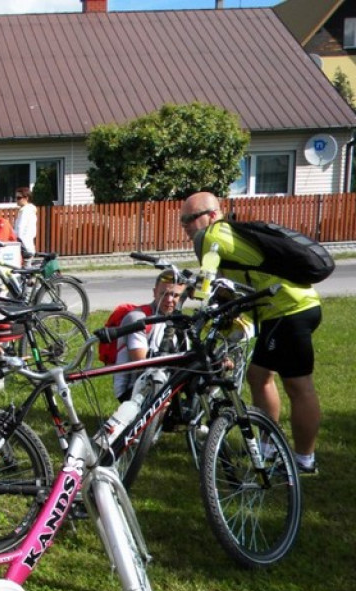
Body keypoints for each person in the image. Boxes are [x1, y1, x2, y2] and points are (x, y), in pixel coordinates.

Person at [180, 191, 322, 474]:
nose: (185, 226)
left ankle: (304, 460)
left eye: (189, 219)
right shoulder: (230, 235)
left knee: (298, 386)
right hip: (284, 310)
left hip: (288, 310)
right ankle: (271, 447)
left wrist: (200, 294)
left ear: (211, 215)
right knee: (259, 377)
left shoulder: (211, 235)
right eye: (182, 221)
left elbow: (208, 276)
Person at [112, 269, 187, 401]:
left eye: (175, 296)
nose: (169, 300)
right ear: (154, 292)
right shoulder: (138, 318)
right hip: (134, 389)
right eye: (164, 294)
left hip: (164, 382)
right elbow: (142, 363)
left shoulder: (179, 321)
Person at [13, 187, 38, 257]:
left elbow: (20, 229)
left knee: (25, 267)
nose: (16, 200)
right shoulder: (27, 210)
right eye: (16, 197)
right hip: (27, 246)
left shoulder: (25, 211)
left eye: (19, 198)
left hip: (24, 247)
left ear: (26, 198)